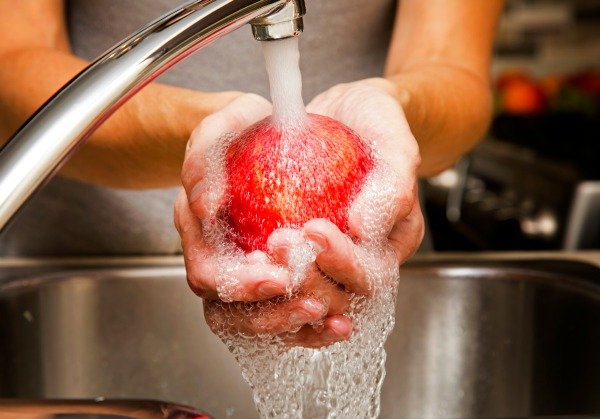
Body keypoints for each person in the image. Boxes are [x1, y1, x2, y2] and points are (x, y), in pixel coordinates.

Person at [0, 0, 504, 346]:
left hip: (365, 267)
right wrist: (214, 143)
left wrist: (392, 109)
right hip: (79, 282)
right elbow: (11, 63)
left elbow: (453, 68)